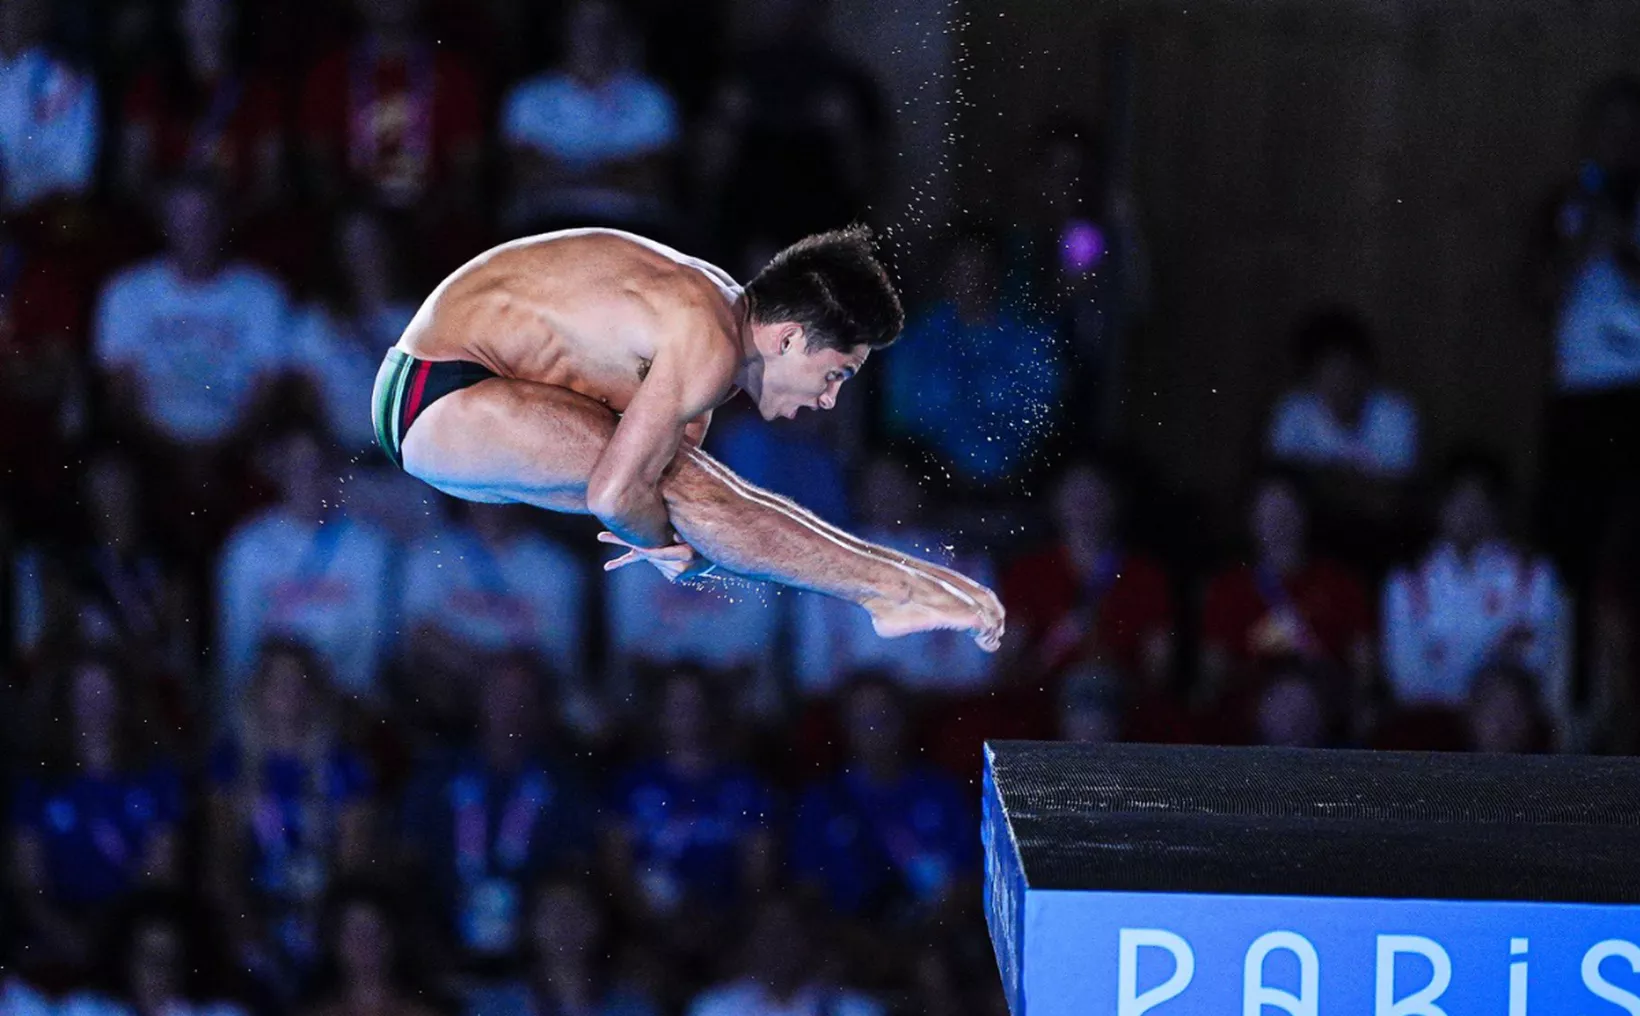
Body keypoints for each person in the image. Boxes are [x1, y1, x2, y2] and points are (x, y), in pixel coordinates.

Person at [369, 225, 1003, 648]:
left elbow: (674, 508)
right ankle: (891, 591)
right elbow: (619, 498)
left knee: (689, 485)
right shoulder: (707, 338)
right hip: (436, 389)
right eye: (835, 373)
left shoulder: (709, 329)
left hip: (448, 387)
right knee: (681, 486)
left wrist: (668, 537)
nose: (830, 399)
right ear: (786, 339)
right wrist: (667, 536)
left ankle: (895, 582)